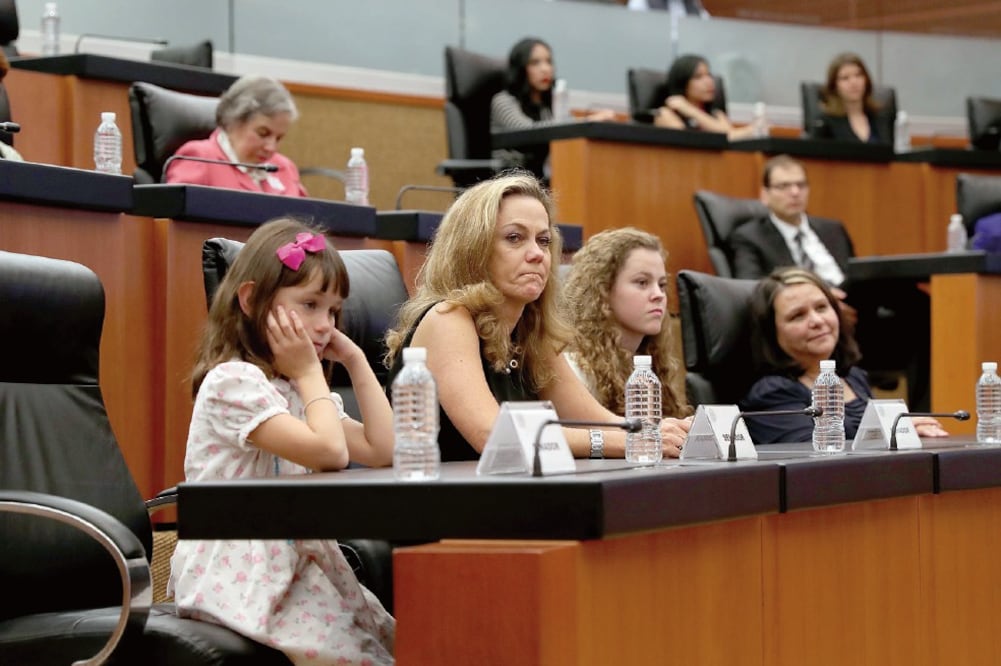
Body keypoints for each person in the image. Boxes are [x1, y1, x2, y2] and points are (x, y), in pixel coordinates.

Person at [169, 217, 395, 665]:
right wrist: (311, 374)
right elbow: (330, 453)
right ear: (251, 300)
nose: (324, 325)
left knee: (399, 646)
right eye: (309, 305)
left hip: (299, 568)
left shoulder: (294, 388)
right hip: (240, 576)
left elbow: (381, 450)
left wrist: (354, 359)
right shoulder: (232, 382)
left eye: (333, 311)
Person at [384, 172, 691, 462]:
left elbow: (595, 420)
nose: (537, 254)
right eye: (515, 238)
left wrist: (659, 431)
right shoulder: (447, 318)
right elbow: (494, 436)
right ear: (473, 249)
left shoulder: (531, 329)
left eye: (543, 241)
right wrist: (627, 441)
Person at [728, 153, 930, 410]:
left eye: (801, 185)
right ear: (765, 194)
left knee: (919, 304)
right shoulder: (749, 236)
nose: (794, 192)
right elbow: (753, 288)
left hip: (855, 315)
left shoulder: (831, 229)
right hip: (809, 319)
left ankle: (923, 408)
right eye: (783, 186)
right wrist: (824, 302)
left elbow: (855, 278)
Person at [741, 267, 947, 445]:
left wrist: (907, 432)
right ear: (771, 334)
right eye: (798, 316)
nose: (817, 321)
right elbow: (810, 463)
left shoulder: (854, 377)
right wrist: (889, 434)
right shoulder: (772, 393)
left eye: (822, 307)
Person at [562, 227, 692, 419]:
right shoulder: (575, 372)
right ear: (603, 291)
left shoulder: (649, 366)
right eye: (642, 282)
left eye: (662, 285)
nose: (658, 295)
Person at [490, 37, 616, 180]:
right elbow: (527, 133)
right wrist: (586, 121)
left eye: (548, 62)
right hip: (509, 180)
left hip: (542, 182)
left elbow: (567, 128)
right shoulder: (503, 100)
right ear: (521, 68)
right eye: (535, 62)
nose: (545, 69)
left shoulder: (549, 105)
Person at [165, 74, 307, 196]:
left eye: (278, 138)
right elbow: (175, 222)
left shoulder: (284, 167)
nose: (271, 147)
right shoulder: (199, 158)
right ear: (234, 120)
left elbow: (307, 223)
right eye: (263, 133)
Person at [652, 54, 757, 140]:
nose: (709, 82)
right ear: (682, 82)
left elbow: (727, 137)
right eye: (698, 77)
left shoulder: (716, 114)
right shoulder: (665, 114)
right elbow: (686, 142)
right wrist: (752, 130)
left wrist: (690, 110)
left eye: (709, 75)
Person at [812, 52, 892, 145]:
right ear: (834, 86)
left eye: (858, 75)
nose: (854, 82)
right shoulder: (826, 122)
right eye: (845, 78)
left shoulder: (881, 116)